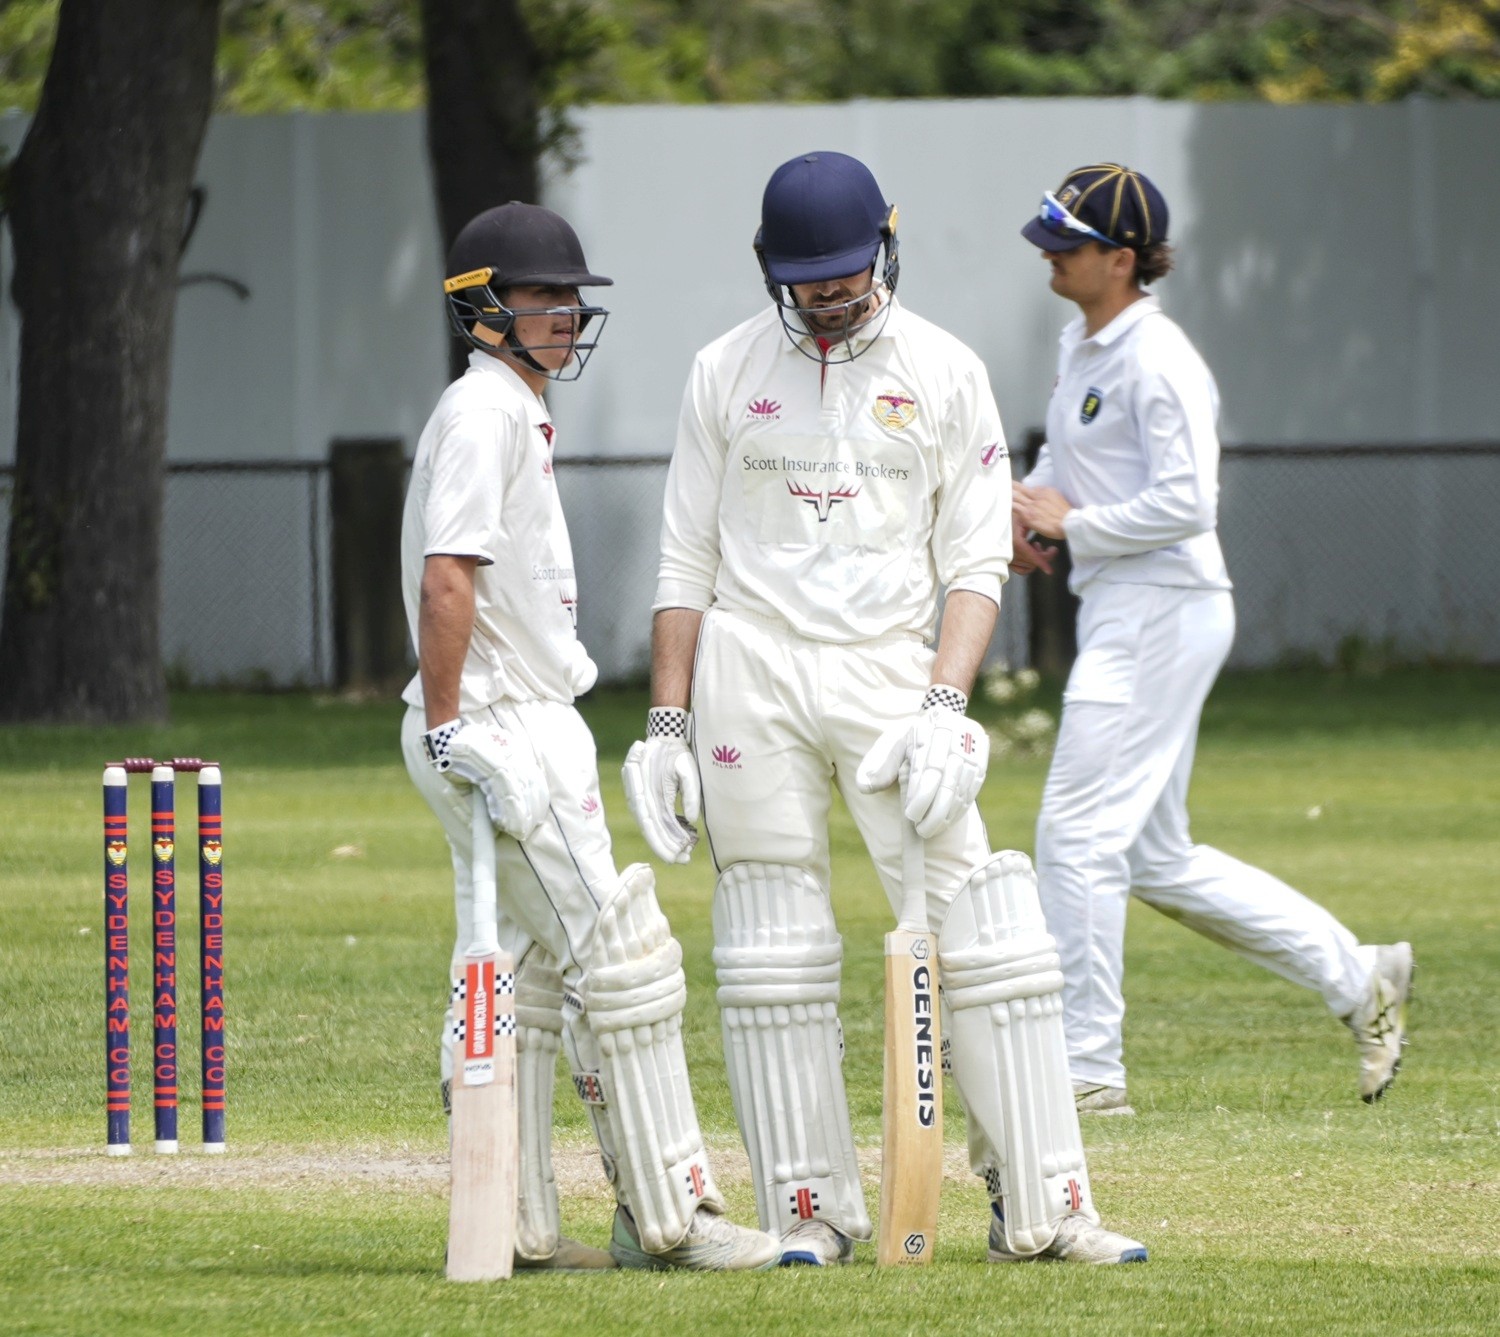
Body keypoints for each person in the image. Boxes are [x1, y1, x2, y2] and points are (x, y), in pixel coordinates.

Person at [623, 151, 1147, 1267]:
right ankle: (810, 1205)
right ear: (774, 271)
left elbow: (973, 559)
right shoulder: (724, 370)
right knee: (771, 938)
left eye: (847, 276)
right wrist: (666, 722)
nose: (830, 297)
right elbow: (684, 558)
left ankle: (1045, 1203)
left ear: (884, 250)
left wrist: (948, 704)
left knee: (987, 925)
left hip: (890, 671)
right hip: (749, 670)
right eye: (809, 280)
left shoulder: (947, 371)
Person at [399, 201, 780, 1272]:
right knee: (619, 957)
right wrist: (448, 724)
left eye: (570, 298)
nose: (563, 315)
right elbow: (447, 576)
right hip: (502, 725)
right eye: (538, 298)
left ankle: (515, 1219)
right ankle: (672, 1214)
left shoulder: (506, 408)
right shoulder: (484, 414)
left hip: (514, 720)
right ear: (481, 311)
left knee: (528, 972)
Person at [1011, 163, 1413, 1116]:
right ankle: (1362, 979)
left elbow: (1192, 501)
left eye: (1066, 244)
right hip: (1127, 601)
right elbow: (1064, 464)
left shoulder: (1161, 357)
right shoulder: (1083, 343)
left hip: (1161, 604)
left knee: (1074, 835)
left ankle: (1087, 1069)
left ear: (1121, 258)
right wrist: (1026, 519)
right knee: (1152, 855)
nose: (1049, 257)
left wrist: (1076, 527)